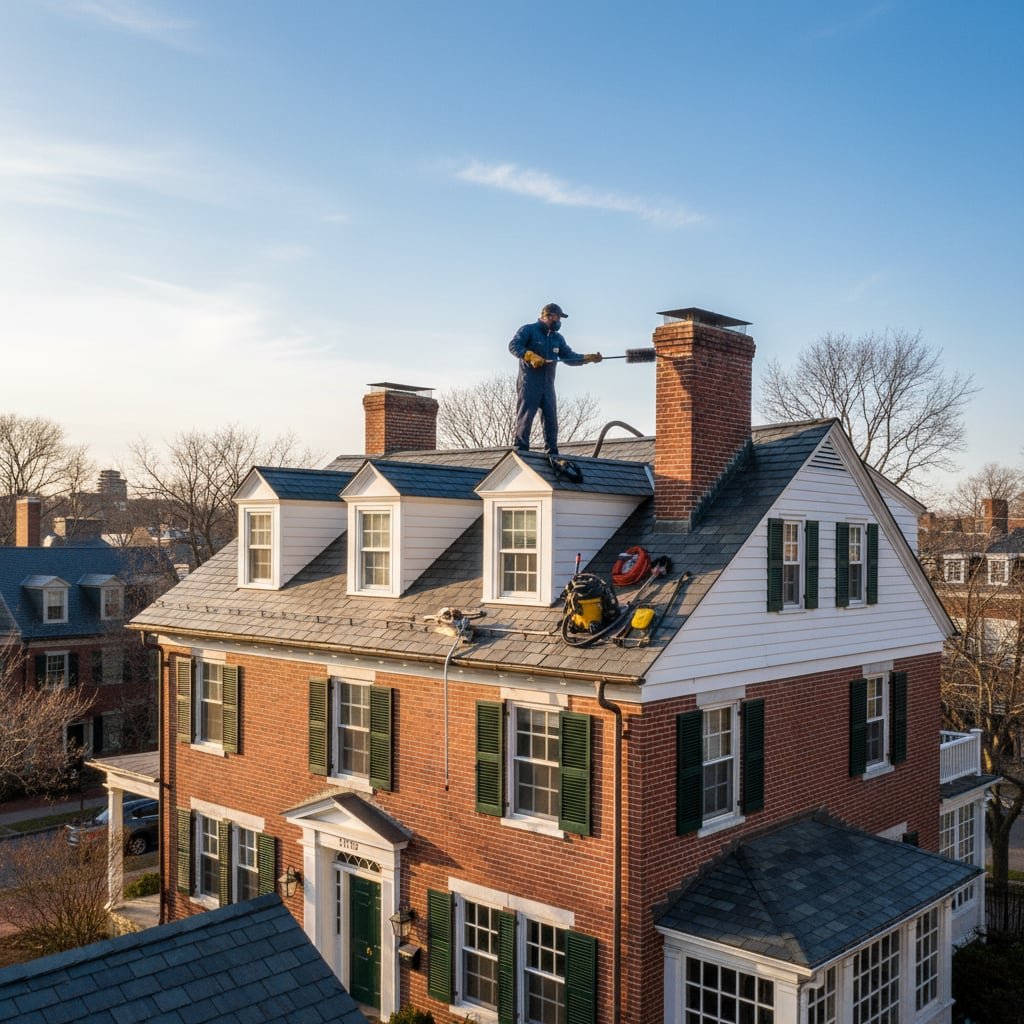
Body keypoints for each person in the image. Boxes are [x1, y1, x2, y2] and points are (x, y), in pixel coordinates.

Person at [508, 303, 602, 454]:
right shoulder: (529, 330)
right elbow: (513, 345)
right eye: (558, 318)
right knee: (526, 417)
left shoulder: (557, 338)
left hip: (548, 385)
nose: (559, 322)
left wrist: (587, 358)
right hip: (529, 383)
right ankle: (521, 449)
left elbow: (569, 357)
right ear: (548, 316)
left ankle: (552, 452)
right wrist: (529, 355)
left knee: (551, 420)